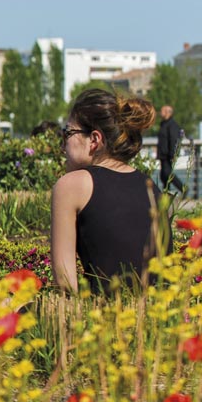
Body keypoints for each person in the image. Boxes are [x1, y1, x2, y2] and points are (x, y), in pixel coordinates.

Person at [50, 89, 165, 294]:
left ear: (94, 140)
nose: (63, 145)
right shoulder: (151, 187)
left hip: (102, 318)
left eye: (67, 133)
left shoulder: (72, 185)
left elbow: (65, 283)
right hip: (157, 317)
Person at [157, 105, 185, 194]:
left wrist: (172, 154)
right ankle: (166, 194)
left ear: (167, 112)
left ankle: (183, 189)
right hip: (163, 154)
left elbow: (173, 140)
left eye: (162, 111)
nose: (160, 113)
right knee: (163, 176)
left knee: (168, 174)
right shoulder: (163, 124)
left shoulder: (172, 125)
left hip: (168, 154)